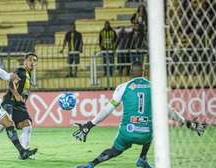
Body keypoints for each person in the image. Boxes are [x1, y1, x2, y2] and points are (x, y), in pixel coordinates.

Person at [73, 62, 207, 168]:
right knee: (153, 125)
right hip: (145, 134)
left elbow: (108, 109)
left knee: (114, 150)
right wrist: (188, 123)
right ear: (145, 72)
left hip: (127, 133)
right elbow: (168, 111)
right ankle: (142, 158)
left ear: (130, 73)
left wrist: (89, 125)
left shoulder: (123, 87)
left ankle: (92, 164)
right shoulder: (154, 87)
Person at [0, 53, 38, 155]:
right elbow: (11, 82)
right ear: (25, 61)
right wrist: (16, 94)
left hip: (19, 105)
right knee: (1, 127)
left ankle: (24, 151)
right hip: (10, 102)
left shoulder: (28, 76)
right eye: (30, 60)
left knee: (27, 125)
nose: (32, 62)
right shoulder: (21, 71)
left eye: (34, 60)